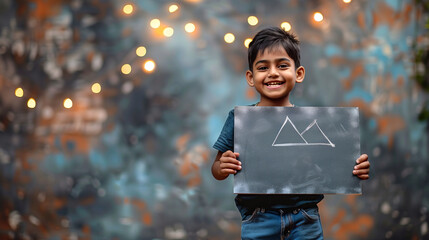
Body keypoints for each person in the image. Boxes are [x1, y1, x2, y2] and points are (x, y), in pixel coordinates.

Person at [211, 27, 370, 240]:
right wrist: (222, 167)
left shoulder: (313, 122)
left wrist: (355, 167)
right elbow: (216, 168)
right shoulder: (239, 119)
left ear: (299, 73)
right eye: (263, 67)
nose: (273, 73)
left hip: (305, 219)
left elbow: (332, 162)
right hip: (258, 219)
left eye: (282, 65)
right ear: (251, 77)